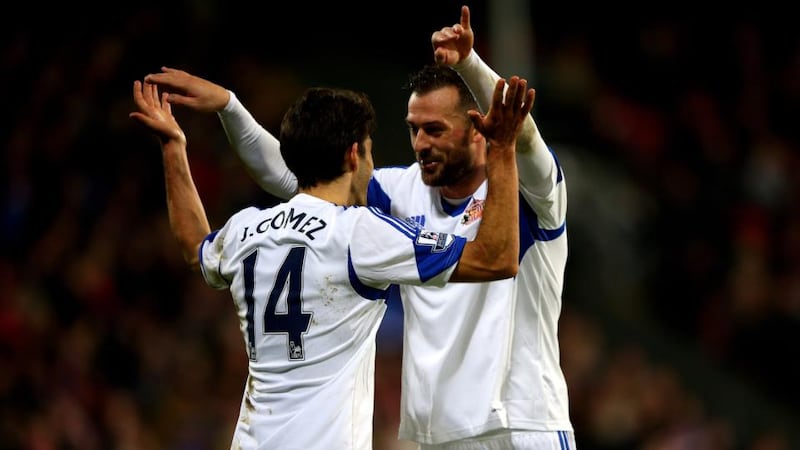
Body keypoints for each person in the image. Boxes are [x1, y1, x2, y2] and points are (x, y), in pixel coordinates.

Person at [145, 5, 574, 449]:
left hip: (523, 423)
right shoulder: (398, 195)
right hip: (437, 432)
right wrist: (232, 109)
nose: (420, 144)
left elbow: (523, 137)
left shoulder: (531, 189)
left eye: (434, 129)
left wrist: (469, 65)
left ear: (479, 130)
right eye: (413, 130)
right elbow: (307, 181)